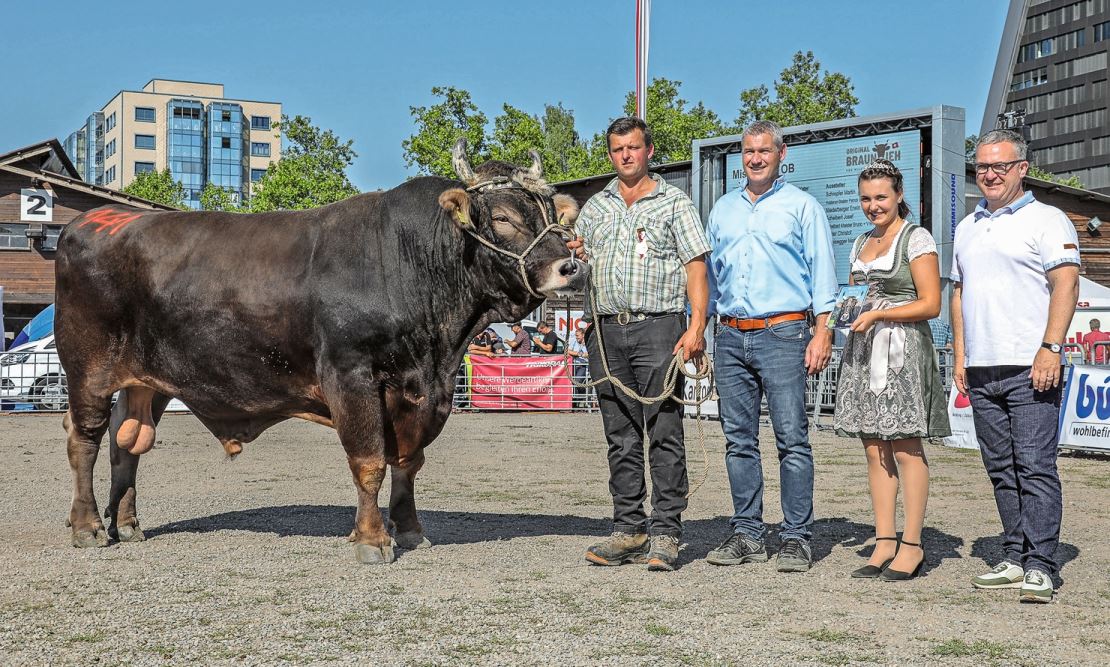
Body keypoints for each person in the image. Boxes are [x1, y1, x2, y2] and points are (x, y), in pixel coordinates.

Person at [568, 116, 710, 572]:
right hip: (607, 329)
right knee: (620, 435)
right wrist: (577, 262)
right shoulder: (596, 208)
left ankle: (666, 531)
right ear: (610, 154)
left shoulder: (674, 202)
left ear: (649, 150)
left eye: (632, 147)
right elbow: (579, 266)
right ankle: (628, 528)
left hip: (660, 326)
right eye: (617, 149)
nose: (625, 156)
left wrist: (697, 326)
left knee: (664, 430)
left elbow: (696, 267)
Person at [704, 120, 837, 573]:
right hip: (729, 333)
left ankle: (797, 537)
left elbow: (823, 274)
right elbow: (709, 279)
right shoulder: (722, 209)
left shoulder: (803, 207)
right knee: (738, 441)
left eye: (764, 150)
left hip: (784, 333)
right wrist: (699, 330)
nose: (755, 158)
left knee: (792, 441)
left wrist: (823, 331)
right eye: (748, 151)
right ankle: (747, 534)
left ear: (782, 154)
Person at [953, 129, 1079, 603]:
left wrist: (1051, 347)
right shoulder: (968, 226)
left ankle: (1042, 564)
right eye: (982, 166)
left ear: (1021, 169)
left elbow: (1065, 284)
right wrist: (961, 356)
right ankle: (1013, 552)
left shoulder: (1048, 220)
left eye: (998, 166)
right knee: (1000, 468)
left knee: (1035, 466)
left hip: (1031, 366)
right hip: (982, 368)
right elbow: (959, 293)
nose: (988, 174)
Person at [832, 159, 951, 581]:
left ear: (899, 195)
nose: (872, 205)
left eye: (881, 197)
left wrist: (882, 315)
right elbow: (854, 294)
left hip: (900, 351)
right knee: (873, 447)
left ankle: (913, 544)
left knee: (904, 446)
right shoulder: (862, 241)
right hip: (864, 350)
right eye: (866, 198)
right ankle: (884, 540)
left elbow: (930, 303)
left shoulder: (916, 238)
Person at [566, 325, 590, 408]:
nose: (576, 337)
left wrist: (583, 354)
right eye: (575, 336)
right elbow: (567, 351)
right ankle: (575, 403)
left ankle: (581, 400)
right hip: (573, 365)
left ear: (583, 335)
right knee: (571, 381)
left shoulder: (588, 342)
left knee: (577, 381)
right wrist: (579, 354)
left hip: (583, 366)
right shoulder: (574, 341)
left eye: (577, 335)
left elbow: (588, 354)